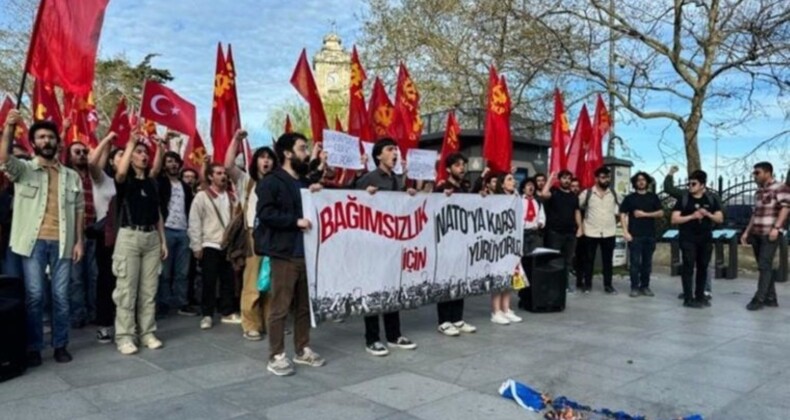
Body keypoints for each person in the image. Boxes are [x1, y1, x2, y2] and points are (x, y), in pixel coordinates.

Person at [0, 110, 84, 366]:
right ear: (34, 143)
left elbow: (79, 209)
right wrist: (9, 128)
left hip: (63, 243)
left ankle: (60, 345)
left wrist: (79, 241)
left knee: (61, 295)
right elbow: (4, 159)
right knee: (35, 295)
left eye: (50, 137)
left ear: (58, 143)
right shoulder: (24, 170)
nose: (46, 141)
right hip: (32, 242)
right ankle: (34, 347)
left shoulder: (71, 176)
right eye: (41, 137)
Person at [257, 132, 326, 376]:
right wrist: (294, 221)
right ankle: (276, 355)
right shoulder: (272, 181)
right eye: (302, 148)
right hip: (285, 254)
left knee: (304, 307)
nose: (306, 153)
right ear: (287, 153)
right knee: (280, 307)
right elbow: (265, 214)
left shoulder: (304, 183)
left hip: (306, 254)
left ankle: (303, 348)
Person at [354, 138, 418, 356]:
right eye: (390, 149)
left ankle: (394, 335)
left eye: (396, 150)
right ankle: (372, 338)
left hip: (393, 245)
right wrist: (366, 197)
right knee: (373, 289)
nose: (395, 153)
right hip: (372, 245)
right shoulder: (367, 179)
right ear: (379, 155)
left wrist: (408, 195)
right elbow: (351, 203)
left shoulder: (397, 179)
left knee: (392, 288)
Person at [112, 138, 168, 354]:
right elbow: (121, 172)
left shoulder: (152, 183)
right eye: (138, 152)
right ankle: (125, 336)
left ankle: (147, 332)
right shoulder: (124, 181)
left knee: (149, 290)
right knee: (126, 290)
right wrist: (130, 143)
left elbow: (158, 214)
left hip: (151, 238)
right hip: (129, 237)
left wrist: (162, 240)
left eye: (145, 152)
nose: (143, 156)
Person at [225, 130, 277, 340]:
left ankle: (270, 321)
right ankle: (251, 323)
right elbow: (228, 166)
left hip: (274, 235)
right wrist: (236, 140)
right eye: (263, 157)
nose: (266, 161)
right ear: (256, 161)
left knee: (271, 280)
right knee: (253, 280)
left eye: (270, 158)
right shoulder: (246, 180)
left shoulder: (277, 183)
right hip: (254, 235)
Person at [189, 164, 240, 329]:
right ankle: (207, 314)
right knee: (209, 281)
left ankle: (227, 311)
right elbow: (194, 221)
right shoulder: (202, 197)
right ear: (210, 176)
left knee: (228, 280)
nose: (223, 176)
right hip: (210, 244)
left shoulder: (232, 197)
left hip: (227, 245)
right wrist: (196, 245)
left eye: (224, 173)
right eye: (218, 173)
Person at [435, 152, 477, 337]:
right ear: (448, 169)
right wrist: (442, 197)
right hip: (446, 243)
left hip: (462, 242)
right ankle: (444, 320)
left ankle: (457, 318)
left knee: (460, 279)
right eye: (458, 165)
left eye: (463, 165)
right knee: (446, 279)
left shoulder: (465, 188)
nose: (462, 168)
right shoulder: (442, 187)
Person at [82, 134, 118, 344]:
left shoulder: (128, 181)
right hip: (106, 239)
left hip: (128, 237)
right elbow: (92, 164)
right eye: (120, 155)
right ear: (113, 160)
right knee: (106, 281)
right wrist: (108, 140)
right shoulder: (104, 181)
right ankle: (104, 325)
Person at [664, 165, 720, 301]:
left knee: (703, 266)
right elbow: (669, 189)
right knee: (688, 265)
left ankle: (703, 293)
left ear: (702, 185)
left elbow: (720, 217)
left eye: (693, 183)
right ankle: (688, 295)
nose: (690, 186)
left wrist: (708, 214)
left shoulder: (712, 198)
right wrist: (670, 174)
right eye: (688, 183)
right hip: (688, 237)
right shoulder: (684, 197)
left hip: (705, 238)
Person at [740, 162, 790, 311]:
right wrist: (747, 232)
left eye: (757, 173)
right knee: (764, 267)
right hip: (757, 233)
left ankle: (759, 298)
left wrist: (777, 228)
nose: (754, 176)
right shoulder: (759, 191)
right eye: (754, 173)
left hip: (770, 233)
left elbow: (786, 208)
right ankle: (771, 297)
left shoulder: (780, 188)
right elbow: (755, 214)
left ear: (767, 173)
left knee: (764, 264)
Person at [156, 151, 196, 318]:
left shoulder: (186, 187)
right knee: (164, 272)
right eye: (169, 161)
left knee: (183, 271)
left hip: (183, 231)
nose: (172, 165)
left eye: (175, 162)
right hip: (166, 230)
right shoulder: (160, 183)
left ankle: (181, 303)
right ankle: (163, 303)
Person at [578, 167, 622, 294]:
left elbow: (624, 207)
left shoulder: (613, 193)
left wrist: (617, 219)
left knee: (608, 261)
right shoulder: (587, 193)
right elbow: (577, 208)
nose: (606, 180)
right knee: (588, 260)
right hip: (591, 231)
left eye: (608, 177)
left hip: (609, 232)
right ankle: (587, 285)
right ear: (596, 178)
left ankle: (608, 285)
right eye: (603, 177)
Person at [537, 170, 582, 293]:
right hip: (555, 233)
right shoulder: (554, 192)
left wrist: (580, 227)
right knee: (554, 260)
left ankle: (565, 284)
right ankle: (552, 285)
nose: (566, 180)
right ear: (560, 180)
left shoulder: (573, 196)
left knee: (567, 261)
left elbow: (577, 212)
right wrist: (551, 179)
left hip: (570, 233)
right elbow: (543, 194)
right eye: (564, 178)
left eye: (568, 178)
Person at [620, 172, 663, 297]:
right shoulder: (630, 198)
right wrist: (625, 231)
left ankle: (645, 286)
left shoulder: (653, 197)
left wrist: (645, 214)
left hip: (650, 235)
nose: (641, 182)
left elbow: (660, 213)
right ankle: (634, 287)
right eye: (638, 180)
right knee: (634, 263)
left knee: (647, 263)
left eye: (643, 180)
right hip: (635, 235)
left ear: (647, 182)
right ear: (635, 183)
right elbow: (622, 214)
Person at [490, 172, 524, 325]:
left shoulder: (515, 199)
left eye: (513, 179)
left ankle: (506, 308)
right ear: (502, 184)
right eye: (509, 179)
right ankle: (496, 311)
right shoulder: (495, 200)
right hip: (498, 244)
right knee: (499, 276)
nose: (513, 181)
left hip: (512, 242)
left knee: (510, 276)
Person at [520, 177, 545, 254]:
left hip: (534, 233)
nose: (531, 187)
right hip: (522, 232)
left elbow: (542, 216)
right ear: (524, 189)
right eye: (528, 185)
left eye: (532, 185)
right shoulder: (519, 200)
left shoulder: (537, 201)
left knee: (534, 256)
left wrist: (539, 224)